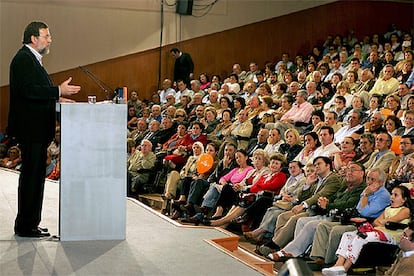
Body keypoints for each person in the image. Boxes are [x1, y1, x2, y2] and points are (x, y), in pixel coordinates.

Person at [8, 21, 81, 238]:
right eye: (46, 36)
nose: (50, 40)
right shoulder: (24, 59)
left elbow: (35, 91)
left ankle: (30, 222)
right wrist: (57, 89)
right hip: (31, 130)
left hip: (35, 129)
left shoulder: (31, 59)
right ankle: (25, 225)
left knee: (35, 176)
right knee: (31, 177)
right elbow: (29, 91)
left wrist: (58, 97)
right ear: (34, 38)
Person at [322, 185, 412, 276]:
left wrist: (383, 222)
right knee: (348, 235)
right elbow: (375, 222)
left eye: (395, 195)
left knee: (360, 236)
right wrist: (382, 222)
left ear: (404, 199)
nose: (392, 197)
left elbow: (390, 221)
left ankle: (345, 268)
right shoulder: (388, 209)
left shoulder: (405, 210)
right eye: (391, 194)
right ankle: (338, 264)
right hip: (378, 232)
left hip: (391, 235)